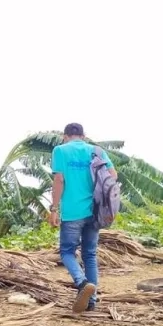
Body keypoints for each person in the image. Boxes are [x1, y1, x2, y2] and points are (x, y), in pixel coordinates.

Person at [48, 123, 117, 313]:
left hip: (72, 212)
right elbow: (112, 175)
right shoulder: (96, 151)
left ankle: (82, 282)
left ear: (65, 136)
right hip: (95, 211)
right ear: (83, 136)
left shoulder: (60, 151)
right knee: (90, 254)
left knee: (67, 252)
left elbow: (59, 180)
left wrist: (54, 209)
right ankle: (91, 301)